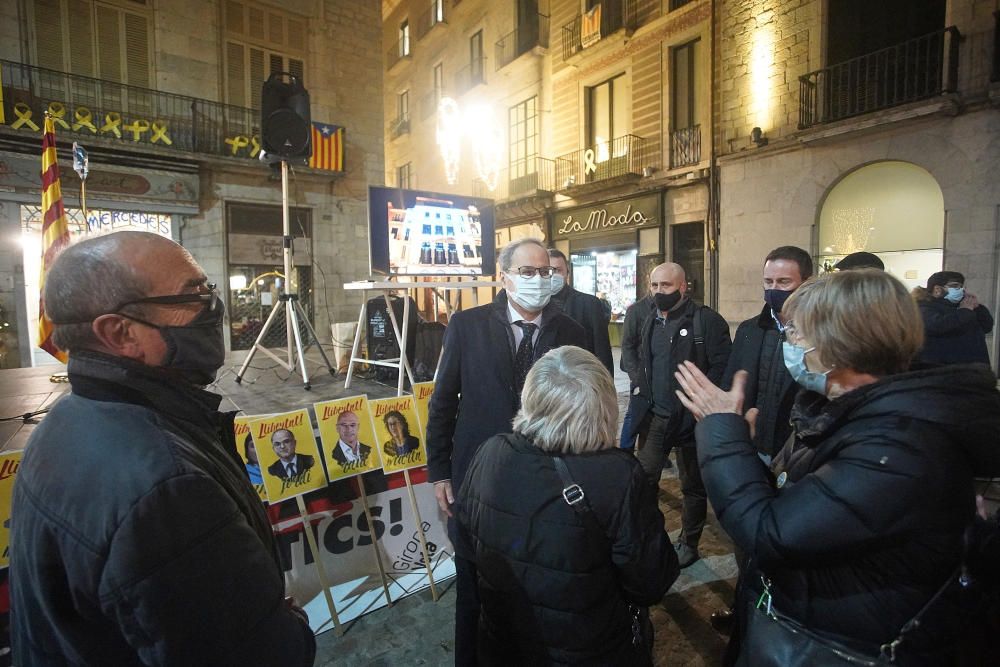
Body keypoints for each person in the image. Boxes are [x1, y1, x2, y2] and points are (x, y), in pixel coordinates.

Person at [10, 231, 314, 665]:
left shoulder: (63, 422)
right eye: (192, 297)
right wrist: (290, 628)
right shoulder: (170, 491)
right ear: (120, 333)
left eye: (209, 290)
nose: (213, 309)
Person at [675, 269, 1000, 665]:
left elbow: (771, 533)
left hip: (844, 645)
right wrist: (742, 448)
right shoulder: (840, 411)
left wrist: (721, 432)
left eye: (798, 332)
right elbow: (798, 508)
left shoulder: (899, 444)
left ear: (842, 342)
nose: (789, 342)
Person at [456, 346, 678, 665]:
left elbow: (467, 546)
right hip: (590, 652)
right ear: (603, 406)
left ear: (531, 397)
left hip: (504, 646)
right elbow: (650, 581)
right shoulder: (617, 474)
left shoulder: (491, 452)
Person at [426, 237, 586, 666]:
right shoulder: (467, 325)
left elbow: (583, 404)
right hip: (476, 476)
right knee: (474, 584)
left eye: (546, 272)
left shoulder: (571, 331)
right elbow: (443, 403)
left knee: (533, 584)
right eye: (528, 272)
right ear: (505, 276)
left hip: (546, 477)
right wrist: (440, 472)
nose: (539, 280)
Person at [710, 246, 812, 632]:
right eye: (768, 282)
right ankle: (746, 609)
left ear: (806, 283)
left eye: (784, 282)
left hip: (796, 457)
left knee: (787, 542)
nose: (774, 289)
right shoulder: (751, 330)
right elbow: (733, 385)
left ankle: (782, 618)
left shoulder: (819, 334)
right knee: (746, 538)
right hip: (755, 449)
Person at [620, 262, 731, 568]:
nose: (658, 292)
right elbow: (637, 355)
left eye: (665, 286)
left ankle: (689, 543)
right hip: (656, 417)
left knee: (693, 485)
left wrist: (706, 403)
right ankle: (648, 536)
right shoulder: (648, 320)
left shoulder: (706, 321)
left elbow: (724, 366)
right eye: (654, 286)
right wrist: (639, 380)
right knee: (644, 481)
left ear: (683, 287)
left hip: (693, 420)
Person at [548, 248, 614, 375]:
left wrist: (605, 384)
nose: (553, 275)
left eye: (558, 270)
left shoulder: (590, 303)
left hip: (581, 377)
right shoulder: (536, 306)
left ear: (567, 272)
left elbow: (602, 349)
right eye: (548, 270)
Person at [916, 270, 994, 366]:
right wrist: (964, 312)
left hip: (975, 367)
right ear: (937, 289)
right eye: (955, 286)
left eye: (961, 286)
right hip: (945, 369)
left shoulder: (962, 306)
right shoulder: (924, 307)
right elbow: (938, 326)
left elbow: (986, 326)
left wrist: (978, 308)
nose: (961, 290)